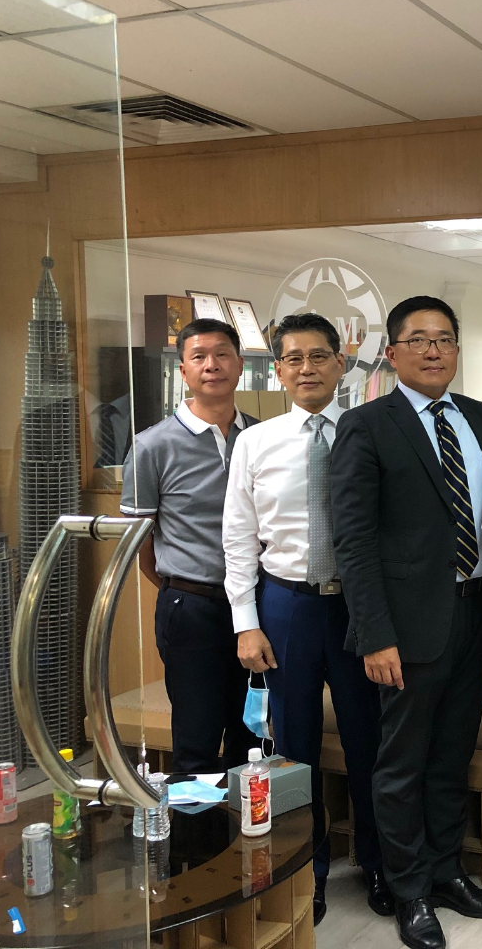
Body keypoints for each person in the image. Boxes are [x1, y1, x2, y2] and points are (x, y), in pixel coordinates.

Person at [331, 296, 482, 949]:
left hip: (476, 611)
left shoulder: (481, 417)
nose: (434, 350)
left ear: (457, 350)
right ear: (394, 351)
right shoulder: (367, 425)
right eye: (419, 339)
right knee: (402, 763)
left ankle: (445, 872)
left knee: (451, 754)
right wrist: (374, 634)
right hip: (404, 628)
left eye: (445, 339)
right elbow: (353, 540)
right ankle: (409, 892)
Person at [222, 313, 391, 926]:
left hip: (357, 607)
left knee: (370, 742)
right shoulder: (255, 443)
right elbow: (238, 540)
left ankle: (378, 864)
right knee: (291, 749)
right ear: (279, 368)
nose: (307, 368)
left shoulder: (368, 432)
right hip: (286, 606)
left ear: (341, 362)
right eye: (292, 358)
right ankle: (304, 871)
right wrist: (247, 622)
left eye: (319, 356)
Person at [120, 319, 257, 775]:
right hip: (192, 608)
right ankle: (195, 844)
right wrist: (179, 588)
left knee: (254, 736)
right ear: (183, 371)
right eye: (199, 356)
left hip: (258, 607)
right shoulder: (151, 446)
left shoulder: (261, 439)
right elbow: (140, 544)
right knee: (196, 740)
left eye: (222, 354)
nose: (211, 365)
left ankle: (251, 839)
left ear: (239, 365)